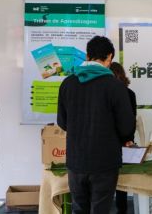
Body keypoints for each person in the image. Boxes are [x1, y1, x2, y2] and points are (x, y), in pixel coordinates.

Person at [57, 36, 135, 214]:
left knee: (79, 209)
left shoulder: (67, 84)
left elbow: (62, 122)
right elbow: (126, 127)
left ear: (87, 55)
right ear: (109, 57)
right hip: (105, 162)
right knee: (100, 209)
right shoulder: (115, 86)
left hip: (76, 160)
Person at [109, 62, 137, 214]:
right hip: (123, 141)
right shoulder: (129, 93)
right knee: (122, 182)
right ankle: (122, 211)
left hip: (109, 142)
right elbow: (131, 120)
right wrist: (129, 139)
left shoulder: (106, 92)